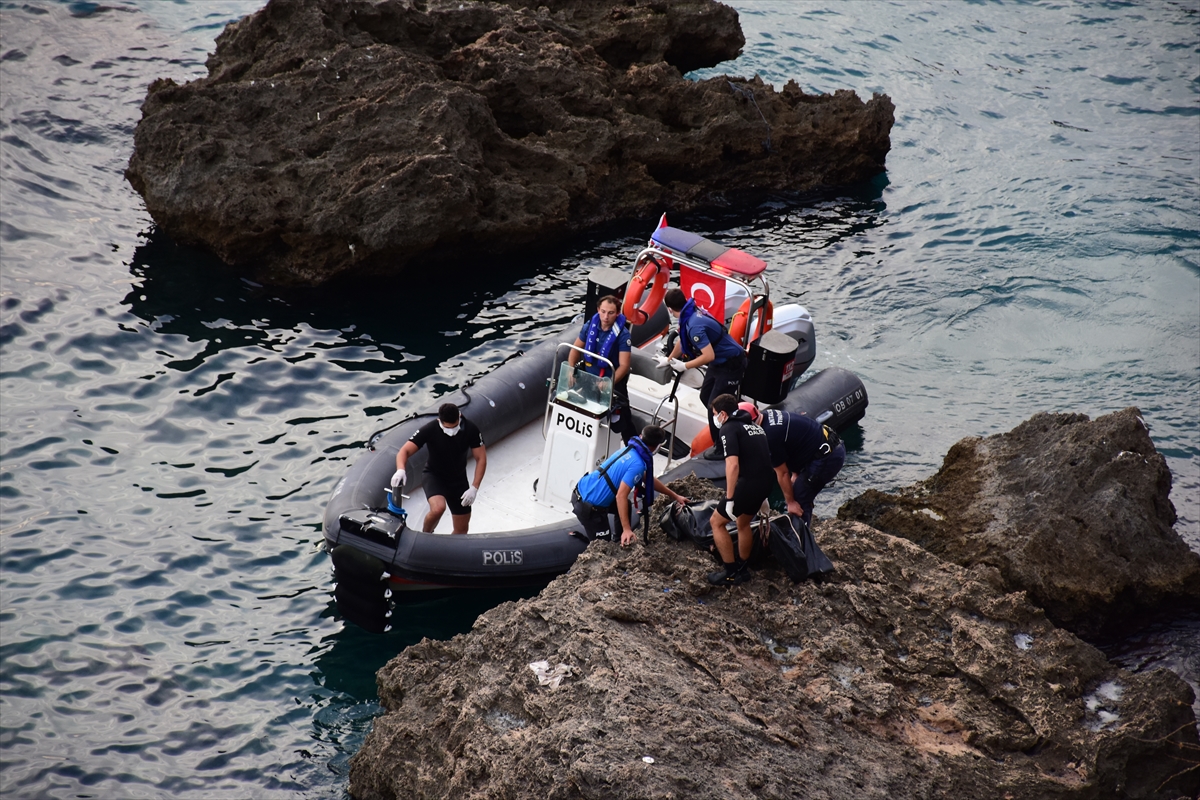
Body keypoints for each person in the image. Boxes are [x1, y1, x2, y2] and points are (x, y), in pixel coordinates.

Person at [658, 287, 747, 450]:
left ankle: (721, 447)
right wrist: (669, 359)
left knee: (714, 406)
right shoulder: (689, 313)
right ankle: (732, 420)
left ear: (670, 309)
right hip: (719, 364)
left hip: (731, 364)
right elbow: (682, 340)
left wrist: (684, 365)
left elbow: (708, 356)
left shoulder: (694, 325)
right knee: (705, 396)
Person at [571, 425, 688, 546]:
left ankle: (619, 539)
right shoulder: (637, 464)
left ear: (641, 437)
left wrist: (675, 496)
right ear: (656, 447)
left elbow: (647, 479)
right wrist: (627, 529)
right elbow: (620, 496)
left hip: (581, 489)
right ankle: (622, 535)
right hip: (589, 507)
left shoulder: (630, 450)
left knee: (626, 504)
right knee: (603, 547)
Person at [740, 402, 845, 529]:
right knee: (798, 489)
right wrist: (796, 472)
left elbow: (782, 473)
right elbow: (793, 441)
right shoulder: (767, 414)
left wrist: (790, 502)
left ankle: (801, 541)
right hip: (824, 445)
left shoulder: (769, 437)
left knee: (799, 498)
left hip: (827, 457)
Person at [707, 394, 775, 586]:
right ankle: (743, 570)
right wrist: (763, 495)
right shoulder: (755, 427)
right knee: (743, 523)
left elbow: (733, 465)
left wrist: (729, 498)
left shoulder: (728, 428)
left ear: (723, 413)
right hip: (765, 482)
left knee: (717, 522)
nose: (714, 418)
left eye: (714, 414)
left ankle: (730, 573)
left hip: (749, 483)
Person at [391, 403, 486, 534]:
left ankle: (450, 549)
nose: (451, 431)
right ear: (439, 421)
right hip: (434, 475)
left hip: (458, 479)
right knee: (438, 508)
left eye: (455, 427)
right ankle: (426, 535)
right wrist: (400, 469)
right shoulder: (430, 429)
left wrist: (474, 488)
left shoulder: (470, 429)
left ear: (459, 417)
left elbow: (481, 458)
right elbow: (404, 451)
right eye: (448, 428)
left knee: (462, 529)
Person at [568, 294, 636, 443]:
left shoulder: (623, 335)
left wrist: (609, 383)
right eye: (603, 311)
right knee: (583, 409)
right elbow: (574, 349)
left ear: (617, 313)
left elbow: (624, 365)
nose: (606, 316)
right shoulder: (589, 326)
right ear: (598, 310)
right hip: (589, 376)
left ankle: (633, 445)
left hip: (613, 380)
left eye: (611, 313)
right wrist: (571, 370)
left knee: (623, 421)